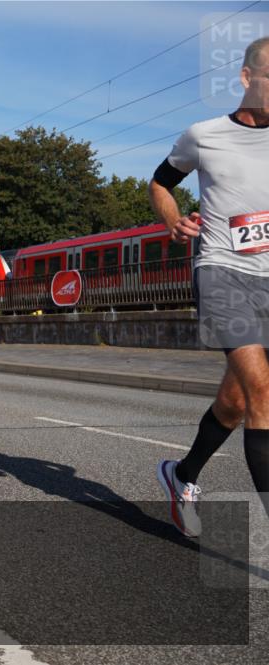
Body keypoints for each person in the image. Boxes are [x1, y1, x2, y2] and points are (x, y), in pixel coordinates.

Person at [150, 36, 269, 536]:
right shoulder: (204, 136)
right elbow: (159, 182)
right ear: (247, 78)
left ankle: (182, 476)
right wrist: (173, 222)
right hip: (222, 269)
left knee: (237, 401)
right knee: (262, 393)